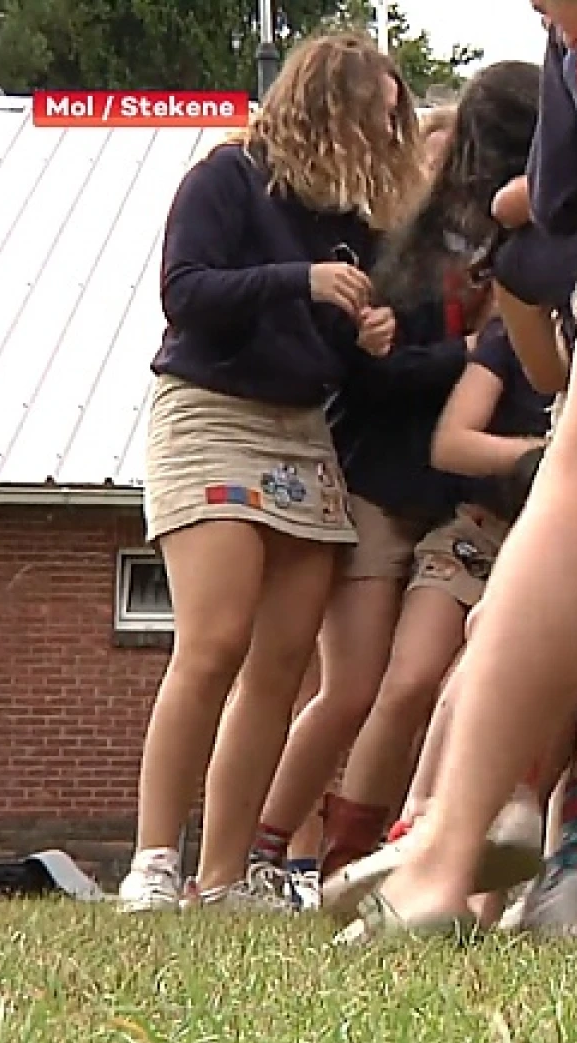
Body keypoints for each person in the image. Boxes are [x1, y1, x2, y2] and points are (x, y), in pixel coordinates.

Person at [117, 32, 424, 912]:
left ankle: (225, 877)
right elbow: (187, 292)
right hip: (210, 411)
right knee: (213, 642)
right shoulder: (227, 178)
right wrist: (300, 280)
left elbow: (337, 358)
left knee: (283, 663)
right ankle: (152, 863)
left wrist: (366, 341)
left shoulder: (351, 228)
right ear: (326, 107)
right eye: (374, 116)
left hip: (299, 431)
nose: (383, 135)